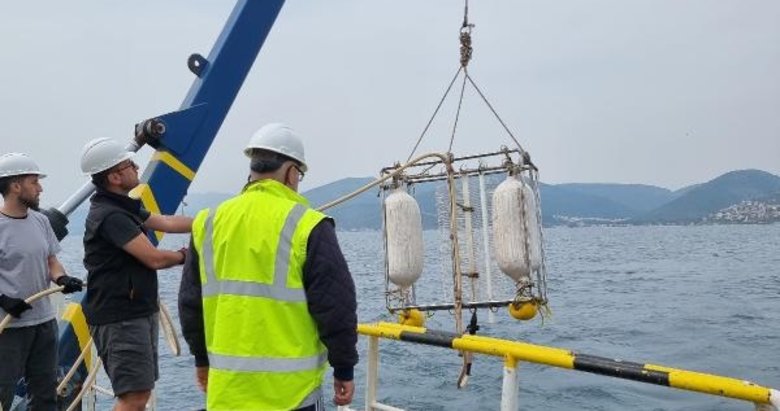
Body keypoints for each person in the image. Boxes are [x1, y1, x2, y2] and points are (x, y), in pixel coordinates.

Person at [178, 123, 358, 411]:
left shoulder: (208, 222)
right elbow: (336, 306)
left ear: (253, 169)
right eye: (299, 174)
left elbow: (190, 304)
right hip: (291, 395)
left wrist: (201, 359)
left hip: (227, 393)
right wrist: (344, 368)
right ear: (290, 172)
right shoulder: (307, 224)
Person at [79, 138, 192, 411]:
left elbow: (164, 221)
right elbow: (153, 258)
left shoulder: (121, 206)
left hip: (134, 312)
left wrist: (215, 220)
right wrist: (186, 257)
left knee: (140, 392)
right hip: (120, 318)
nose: (136, 167)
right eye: (130, 164)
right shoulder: (110, 216)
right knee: (134, 397)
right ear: (115, 176)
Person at [0, 153, 83, 411]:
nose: (40, 188)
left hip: (44, 323)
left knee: (46, 395)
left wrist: (62, 277)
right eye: (34, 182)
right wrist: (3, 300)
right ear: (16, 186)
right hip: (9, 327)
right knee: (2, 392)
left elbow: (51, 261)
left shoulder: (40, 220)